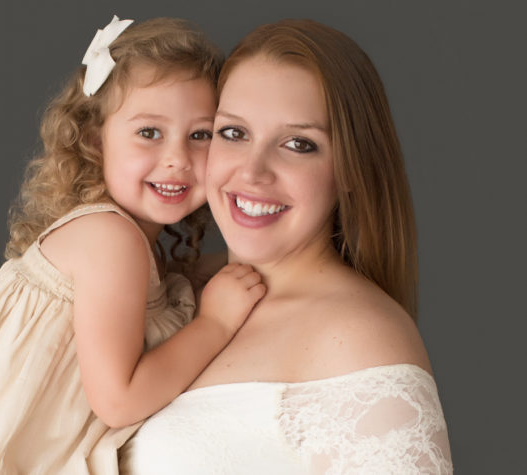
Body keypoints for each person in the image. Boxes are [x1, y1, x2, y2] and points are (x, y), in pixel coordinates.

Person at [0, 16, 266, 475]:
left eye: (200, 135)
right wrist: (216, 324)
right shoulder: (111, 240)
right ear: (93, 138)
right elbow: (120, 401)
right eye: (149, 132)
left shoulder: (126, 245)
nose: (177, 159)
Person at [120, 19, 453, 474]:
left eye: (299, 144)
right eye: (234, 133)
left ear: (352, 171)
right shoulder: (170, 288)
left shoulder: (358, 337)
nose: (254, 171)